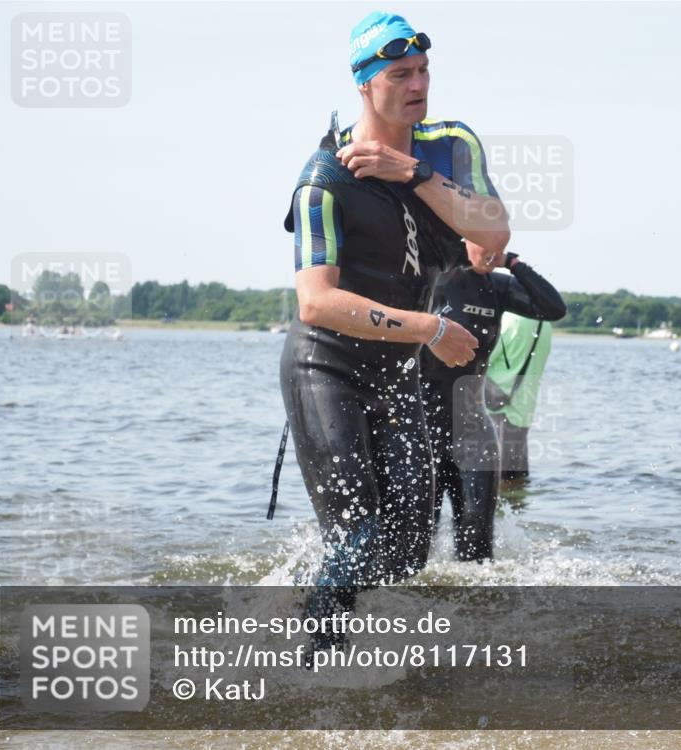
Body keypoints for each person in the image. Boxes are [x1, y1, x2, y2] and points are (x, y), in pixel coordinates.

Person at [277, 11, 509, 631]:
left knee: (408, 550)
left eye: (424, 70)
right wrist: (428, 328)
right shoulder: (323, 179)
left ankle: (351, 640)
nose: (418, 85)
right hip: (325, 367)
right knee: (356, 536)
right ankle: (308, 666)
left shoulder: (451, 145)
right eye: (400, 74)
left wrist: (412, 173)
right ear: (364, 84)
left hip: (395, 376)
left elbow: (494, 234)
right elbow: (315, 303)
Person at [420, 251, 566, 561]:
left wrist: (514, 264)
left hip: (473, 430)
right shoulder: (431, 275)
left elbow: (553, 308)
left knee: (478, 554)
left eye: (500, 243)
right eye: (485, 241)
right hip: (422, 427)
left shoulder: (497, 286)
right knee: (415, 547)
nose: (492, 250)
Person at [485, 312, 556, 483]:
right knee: (517, 482)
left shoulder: (509, 320)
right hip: (523, 412)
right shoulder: (545, 324)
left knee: (494, 482)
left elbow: (478, 359)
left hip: (498, 410)